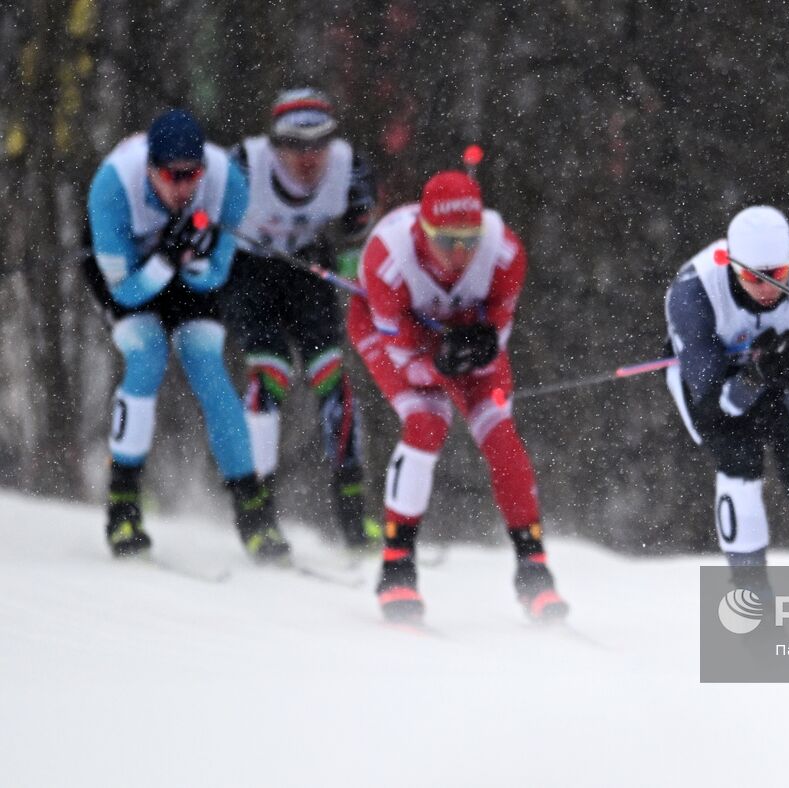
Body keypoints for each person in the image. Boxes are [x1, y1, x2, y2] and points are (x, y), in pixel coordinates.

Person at [347, 169, 567, 623]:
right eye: (447, 242)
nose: (460, 254)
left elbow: (497, 338)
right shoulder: (388, 259)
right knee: (427, 421)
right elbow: (406, 360)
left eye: (469, 239)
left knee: (500, 433)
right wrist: (441, 362)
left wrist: (478, 347)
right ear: (421, 231)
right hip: (390, 333)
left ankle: (533, 567)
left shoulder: (504, 252)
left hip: (461, 336)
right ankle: (396, 565)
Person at [85, 109, 287, 562]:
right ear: (150, 168)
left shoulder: (227, 183)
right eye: (170, 176)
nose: (182, 187)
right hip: (128, 273)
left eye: (191, 175)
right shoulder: (112, 188)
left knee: (206, 364)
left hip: (185, 274)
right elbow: (125, 289)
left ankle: (254, 514)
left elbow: (215, 277)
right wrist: (163, 259)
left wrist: (190, 260)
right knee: (147, 355)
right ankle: (123, 505)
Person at [665, 205, 789, 595]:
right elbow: (716, 406)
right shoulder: (693, 291)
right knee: (738, 461)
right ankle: (754, 603)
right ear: (731, 265)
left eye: (780, 275)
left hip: (782, 384)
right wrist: (753, 375)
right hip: (719, 384)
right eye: (754, 277)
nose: (769, 288)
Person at [226, 88, 381, 552]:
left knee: (332, 376)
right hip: (249, 270)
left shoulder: (350, 169)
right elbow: (201, 213)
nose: (308, 157)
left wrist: (357, 284)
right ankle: (258, 511)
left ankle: (353, 511)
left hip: (307, 268)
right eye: (295, 145)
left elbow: (357, 240)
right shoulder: (244, 166)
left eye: (318, 144)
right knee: (271, 372)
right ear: (275, 143)